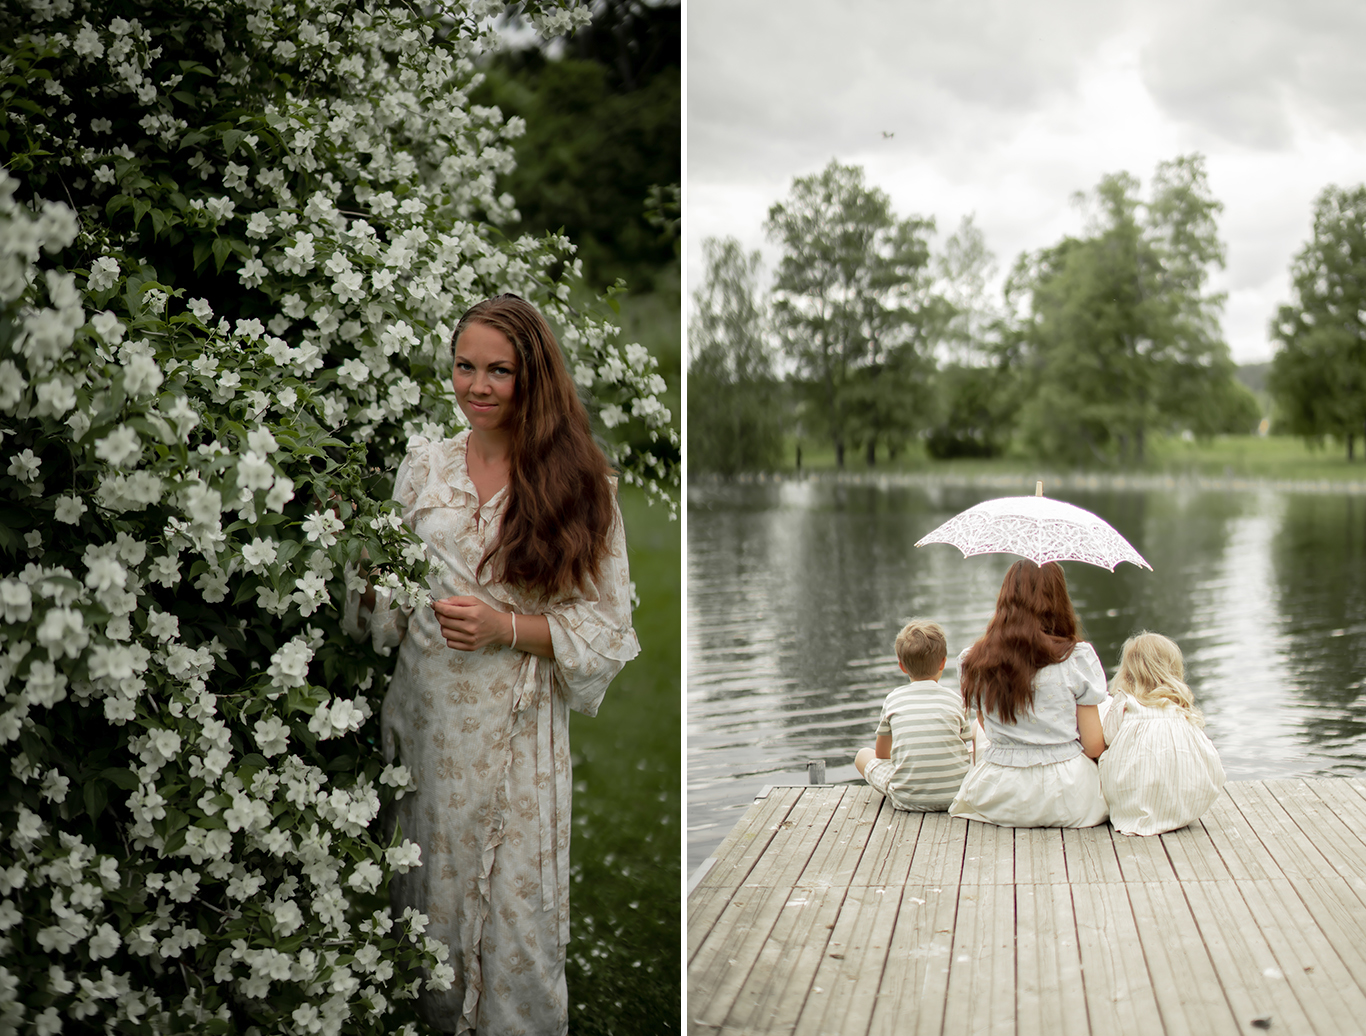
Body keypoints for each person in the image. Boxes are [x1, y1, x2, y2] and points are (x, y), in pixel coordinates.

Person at [345, 294, 640, 1035]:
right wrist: (369, 583)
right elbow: (378, 619)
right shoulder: (423, 469)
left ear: (532, 378)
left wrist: (505, 626)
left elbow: (608, 628)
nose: (476, 386)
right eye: (464, 367)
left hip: (515, 731)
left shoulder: (580, 486)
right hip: (428, 719)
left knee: (514, 906)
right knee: (431, 896)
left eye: (498, 371)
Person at [949, 559, 1109, 828]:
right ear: (1059, 599)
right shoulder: (1077, 658)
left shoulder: (975, 661)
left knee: (977, 729)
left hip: (998, 794)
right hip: (1068, 795)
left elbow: (988, 729)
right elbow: (1093, 746)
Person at [1099, 632, 1226, 835]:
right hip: (1187, 806)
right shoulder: (1178, 705)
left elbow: (1107, 738)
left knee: (1106, 754)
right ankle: (1174, 807)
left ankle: (1140, 802)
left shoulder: (1124, 703)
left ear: (1127, 671)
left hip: (1134, 807)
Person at [853, 619, 971, 811]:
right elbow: (964, 749)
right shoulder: (955, 700)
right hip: (956, 794)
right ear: (943, 663)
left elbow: (882, 754)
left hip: (906, 798)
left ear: (902, 666)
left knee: (862, 755)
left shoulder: (893, 700)